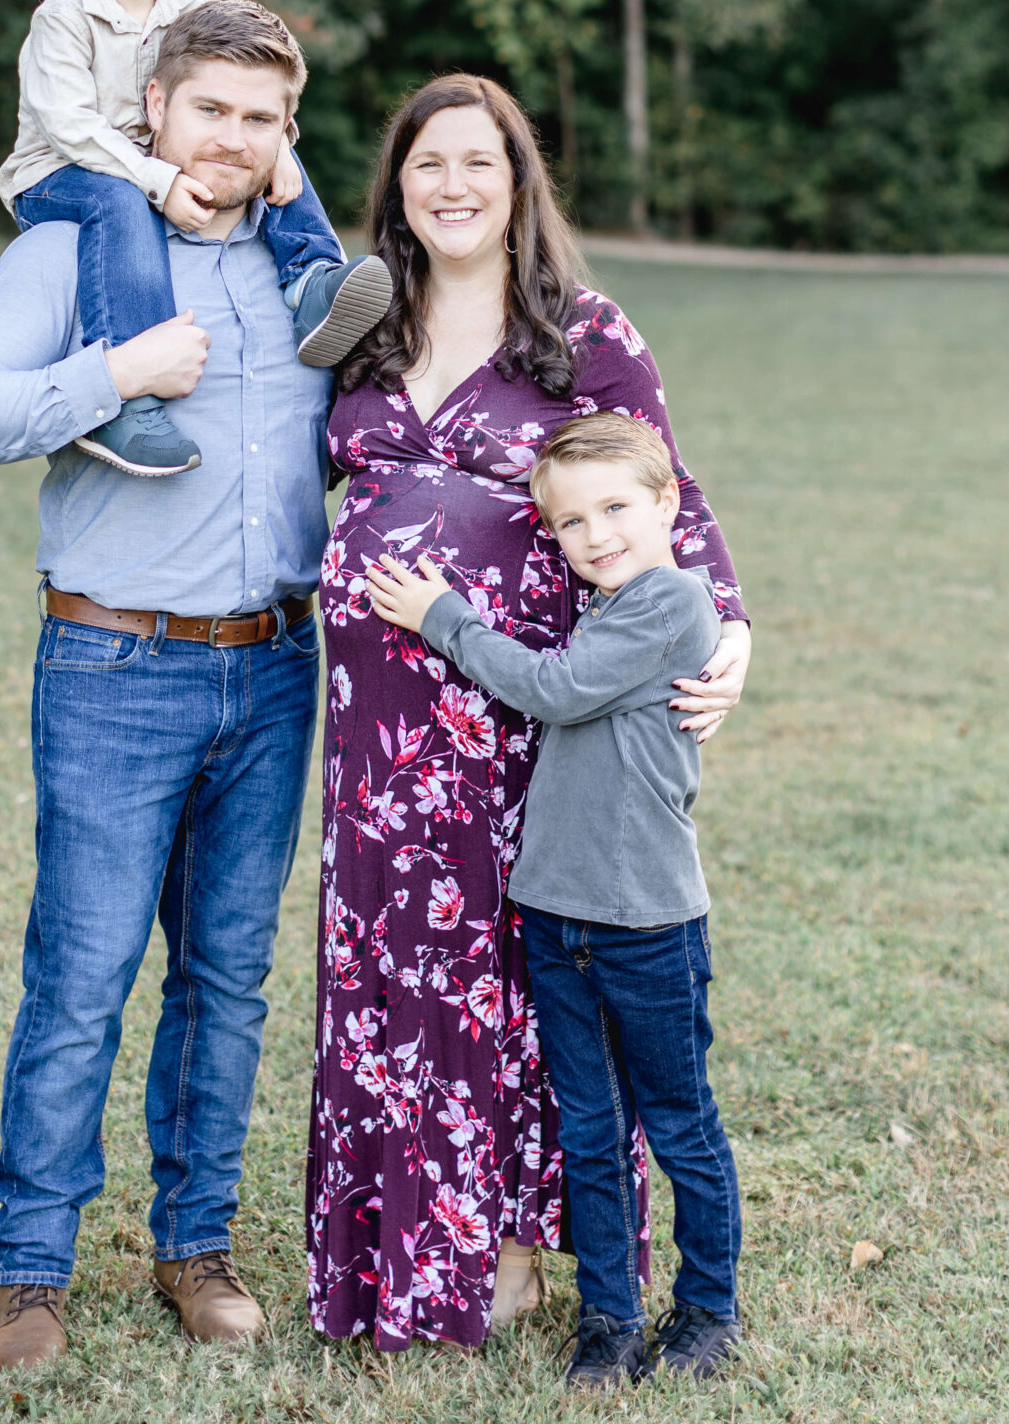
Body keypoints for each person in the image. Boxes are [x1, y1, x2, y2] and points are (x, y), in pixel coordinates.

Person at [305, 73, 751, 1352]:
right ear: (397, 185)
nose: (450, 184)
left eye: (477, 163)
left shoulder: (583, 332)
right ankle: (400, 1253)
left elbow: (679, 498)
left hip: (521, 730)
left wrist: (734, 632)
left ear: (517, 185)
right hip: (377, 743)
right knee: (393, 981)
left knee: (509, 986)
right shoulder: (366, 333)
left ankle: (508, 1254)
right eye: (425, 163)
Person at [0, 0, 338, 1374]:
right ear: (152, 109)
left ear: (289, 138)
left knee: (227, 981)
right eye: (209, 108)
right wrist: (113, 374)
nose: (231, 137)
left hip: (274, 668)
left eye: (261, 118)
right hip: (112, 663)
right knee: (83, 976)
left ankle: (195, 1247)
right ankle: (29, 1269)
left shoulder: (302, 281)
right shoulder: (74, 251)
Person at [369, 412, 744, 1392]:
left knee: (676, 1120)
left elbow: (556, 688)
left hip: (648, 923)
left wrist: (444, 616)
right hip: (558, 917)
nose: (596, 534)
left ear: (669, 505)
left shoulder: (672, 604)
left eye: (616, 506)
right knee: (588, 1124)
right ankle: (609, 1319)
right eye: (571, 521)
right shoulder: (608, 602)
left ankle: (708, 1308)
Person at [0, 0, 389, 477]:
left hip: (146, 166)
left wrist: (282, 148)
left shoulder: (188, 3)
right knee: (120, 201)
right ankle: (131, 402)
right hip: (58, 174)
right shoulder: (61, 16)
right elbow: (67, 125)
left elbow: (232, 80)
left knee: (271, 156)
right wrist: (156, 180)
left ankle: (309, 286)